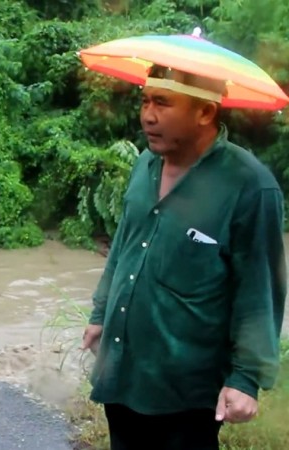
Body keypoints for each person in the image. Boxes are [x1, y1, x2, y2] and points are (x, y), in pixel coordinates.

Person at [81, 64, 287, 450]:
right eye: (144, 101)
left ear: (205, 112)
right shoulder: (145, 163)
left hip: (186, 390)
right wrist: (100, 314)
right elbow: (125, 243)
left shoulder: (250, 187)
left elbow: (259, 289)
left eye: (163, 102)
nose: (148, 115)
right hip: (122, 369)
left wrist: (245, 378)